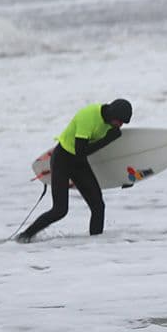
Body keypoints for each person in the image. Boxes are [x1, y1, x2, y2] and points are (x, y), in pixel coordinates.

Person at [16, 99, 133, 242]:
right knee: (60, 210)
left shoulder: (110, 125)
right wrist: (107, 140)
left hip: (80, 164)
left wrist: (124, 178)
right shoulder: (88, 117)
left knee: (98, 206)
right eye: (120, 121)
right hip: (62, 160)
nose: (120, 125)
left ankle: (96, 244)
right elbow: (80, 151)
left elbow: (111, 157)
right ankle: (25, 236)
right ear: (112, 114)